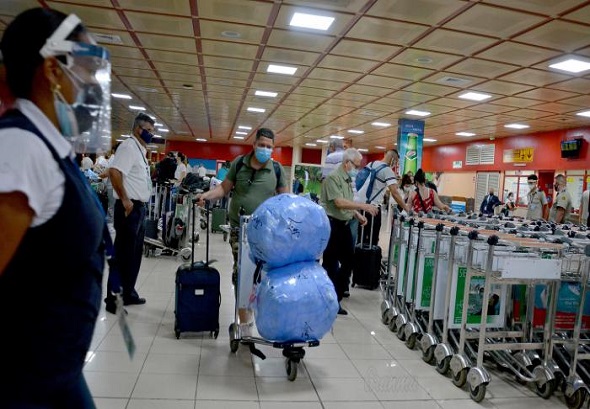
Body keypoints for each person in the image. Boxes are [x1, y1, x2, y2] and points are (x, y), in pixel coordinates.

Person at [0, 8, 111, 407]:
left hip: (55, 371)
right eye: (87, 71)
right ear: (51, 71)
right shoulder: (20, 148)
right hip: (20, 382)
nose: (94, 86)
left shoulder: (49, 148)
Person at [196, 128, 288, 328]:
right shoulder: (239, 164)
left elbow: (285, 201)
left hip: (265, 231)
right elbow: (223, 189)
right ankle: (243, 317)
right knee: (242, 270)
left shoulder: (277, 169)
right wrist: (206, 195)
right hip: (240, 229)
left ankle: (257, 307)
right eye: (262, 145)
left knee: (263, 272)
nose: (265, 149)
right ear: (254, 145)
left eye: (269, 146)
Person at [104, 112, 155, 311]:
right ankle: (113, 299)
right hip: (129, 208)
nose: (151, 134)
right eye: (148, 130)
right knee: (123, 254)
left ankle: (128, 293)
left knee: (134, 255)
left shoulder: (139, 149)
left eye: (152, 131)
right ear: (137, 129)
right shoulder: (128, 147)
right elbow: (115, 172)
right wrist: (125, 199)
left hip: (139, 208)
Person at [321, 148, 379, 315]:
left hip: (345, 224)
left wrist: (357, 215)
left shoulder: (347, 179)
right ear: (347, 163)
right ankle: (328, 301)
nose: (357, 169)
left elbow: (347, 201)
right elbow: (338, 202)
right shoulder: (333, 178)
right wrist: (363, 206)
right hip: (332, 226)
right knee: (330, 265)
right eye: (356, 165)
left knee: (348, 263)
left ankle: (336, 298)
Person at [356, 149, 409, 246]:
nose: (395, 164)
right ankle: (369, 260)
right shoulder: (387, 171)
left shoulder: (371, 164)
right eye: (396, 162)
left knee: (361, 237)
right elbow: (395, 192)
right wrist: (406, 208)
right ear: (393, 160)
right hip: (373, 209)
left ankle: (359, 259)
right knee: (372, 239)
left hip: (361, 206)